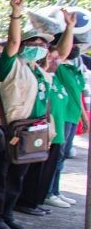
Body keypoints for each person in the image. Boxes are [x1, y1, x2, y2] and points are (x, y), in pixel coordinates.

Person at [0, 0, 74, 229]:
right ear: (22, 45)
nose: (40, 47)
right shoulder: (11, 66)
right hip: (7, 129)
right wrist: (16, 14)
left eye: (43, 44)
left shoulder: (39, 70)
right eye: (34, 42)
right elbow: (12, 41)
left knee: (18, 174)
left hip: (31, 131)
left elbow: (61, 54)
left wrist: (70, 27)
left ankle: (7, 211)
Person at [18, 44, 76, 213]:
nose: (55, 60)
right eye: (51, 57)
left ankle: (38, 200)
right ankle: (27, 202)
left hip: (54, 132)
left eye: (56, 57)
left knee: (47, 170)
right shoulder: (36, 75)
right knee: (35, 171)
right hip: (40, 130)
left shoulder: (53, 78)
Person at [46, 44, 86, 207]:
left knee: (61, 157)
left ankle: (55, 190)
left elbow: (78, 94)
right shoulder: (59, 69)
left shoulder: (75, 70)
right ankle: (49, 192)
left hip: (71, 116)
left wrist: (83, 117)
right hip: (61, 117)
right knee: (56, 156)